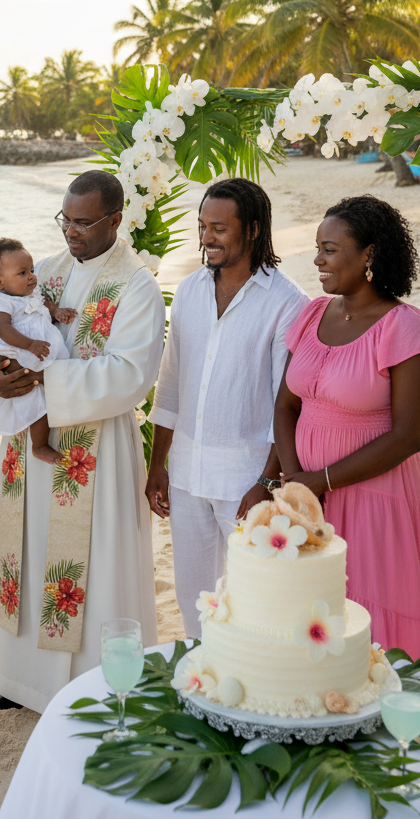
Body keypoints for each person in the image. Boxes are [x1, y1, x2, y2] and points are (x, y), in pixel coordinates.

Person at [0, 170, 166, 715]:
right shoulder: (41, 275)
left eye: (83, 223)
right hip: (27, 444)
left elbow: (130, 374)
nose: (71, 233)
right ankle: (21, 683)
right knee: (27, 557)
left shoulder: (136, 285)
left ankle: (91, 689)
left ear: (116, 220)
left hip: (93, 446)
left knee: (91, 571)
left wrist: (39, 383)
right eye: (66, 220)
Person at [273, 194, 420, 661]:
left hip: (376, 496)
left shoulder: (406, 328)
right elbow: (285, 405)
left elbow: (409, 436)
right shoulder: (314, 313)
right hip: (309, 497)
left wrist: (324, 480)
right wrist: (299, 485)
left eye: (330, 249)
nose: (317, 259)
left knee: (372, 614)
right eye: (318, 247)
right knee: (313, 617)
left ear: (369, 255)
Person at [146, 178, 307, 638]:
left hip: (246, 479)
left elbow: (287, 404)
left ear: (253, 230)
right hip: (187, 474)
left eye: (218, 228)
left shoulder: (287, 304)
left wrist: (265, 480)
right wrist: (158, 464)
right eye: (201, 226)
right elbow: (170, 383)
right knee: (195, 596)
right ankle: (205, 681)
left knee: (256, 595)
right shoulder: (191, 290)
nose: (206, 238)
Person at [0, 237, 78, 465]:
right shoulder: (0, 302)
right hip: (16, 347)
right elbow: (2, 328)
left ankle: (41, 442)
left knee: (45, 397)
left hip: (33, 349)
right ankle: (39, 446)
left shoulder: (30, 293)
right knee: (33, 400)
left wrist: (56, 312)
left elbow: (44, 304)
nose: (31, 276)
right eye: (22, 273)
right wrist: (29, 345)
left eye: (31, 269)